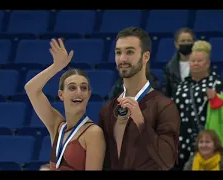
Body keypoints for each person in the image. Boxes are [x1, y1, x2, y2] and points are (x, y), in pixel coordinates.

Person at [98, 27, 181, 170]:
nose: (122, 58)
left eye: (129, 52)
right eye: (118, 52)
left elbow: (168, 161)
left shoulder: (164, 106)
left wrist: (142, 123)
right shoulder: (107, 110)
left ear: (146, 56)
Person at [25, 38, 106, 171]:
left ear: (89, 94)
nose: (79, 92)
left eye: (84, 88)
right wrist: (56, 67)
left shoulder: (93, 133)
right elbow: (31, 89)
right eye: (72, 88)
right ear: (61, 94)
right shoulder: (57, 125)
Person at [173, 40, 223, 169]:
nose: (195, 64)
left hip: (210, 142)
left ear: (208, 63)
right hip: (185, 141)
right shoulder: (182, 85)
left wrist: (217, 98)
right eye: (193, 61)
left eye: (199, 61)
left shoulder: (217, 83)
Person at [162, 28, 195, 99]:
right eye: (183, 41)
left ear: (193, 43)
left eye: (189, 41)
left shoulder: (202, 65)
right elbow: (166, 92)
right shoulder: (169, 68)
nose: (186, 43)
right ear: (176, 44)